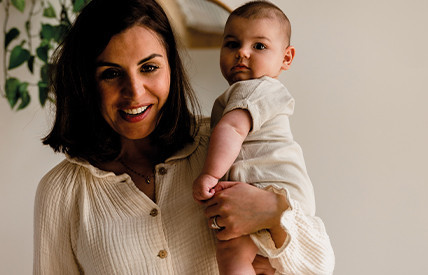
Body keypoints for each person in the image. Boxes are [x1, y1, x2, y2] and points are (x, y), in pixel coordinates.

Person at [34, 0, 335, 274]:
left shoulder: (223, 150)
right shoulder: (62, 193)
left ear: (171, 70)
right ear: (86, 83)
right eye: (111, 73)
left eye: (149, 67)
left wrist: (271, 212)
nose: (135, 92)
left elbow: (320, 266)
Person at [192, 1, 330, 274]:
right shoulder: (248, 92)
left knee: (232, 250)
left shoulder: (258, 89)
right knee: (247, 258)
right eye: (232, 44)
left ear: (286, 58)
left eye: (259, 46)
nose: (242, 53)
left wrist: (209, 174)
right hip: (268, 191)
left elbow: (231, 129)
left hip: (272, 188)